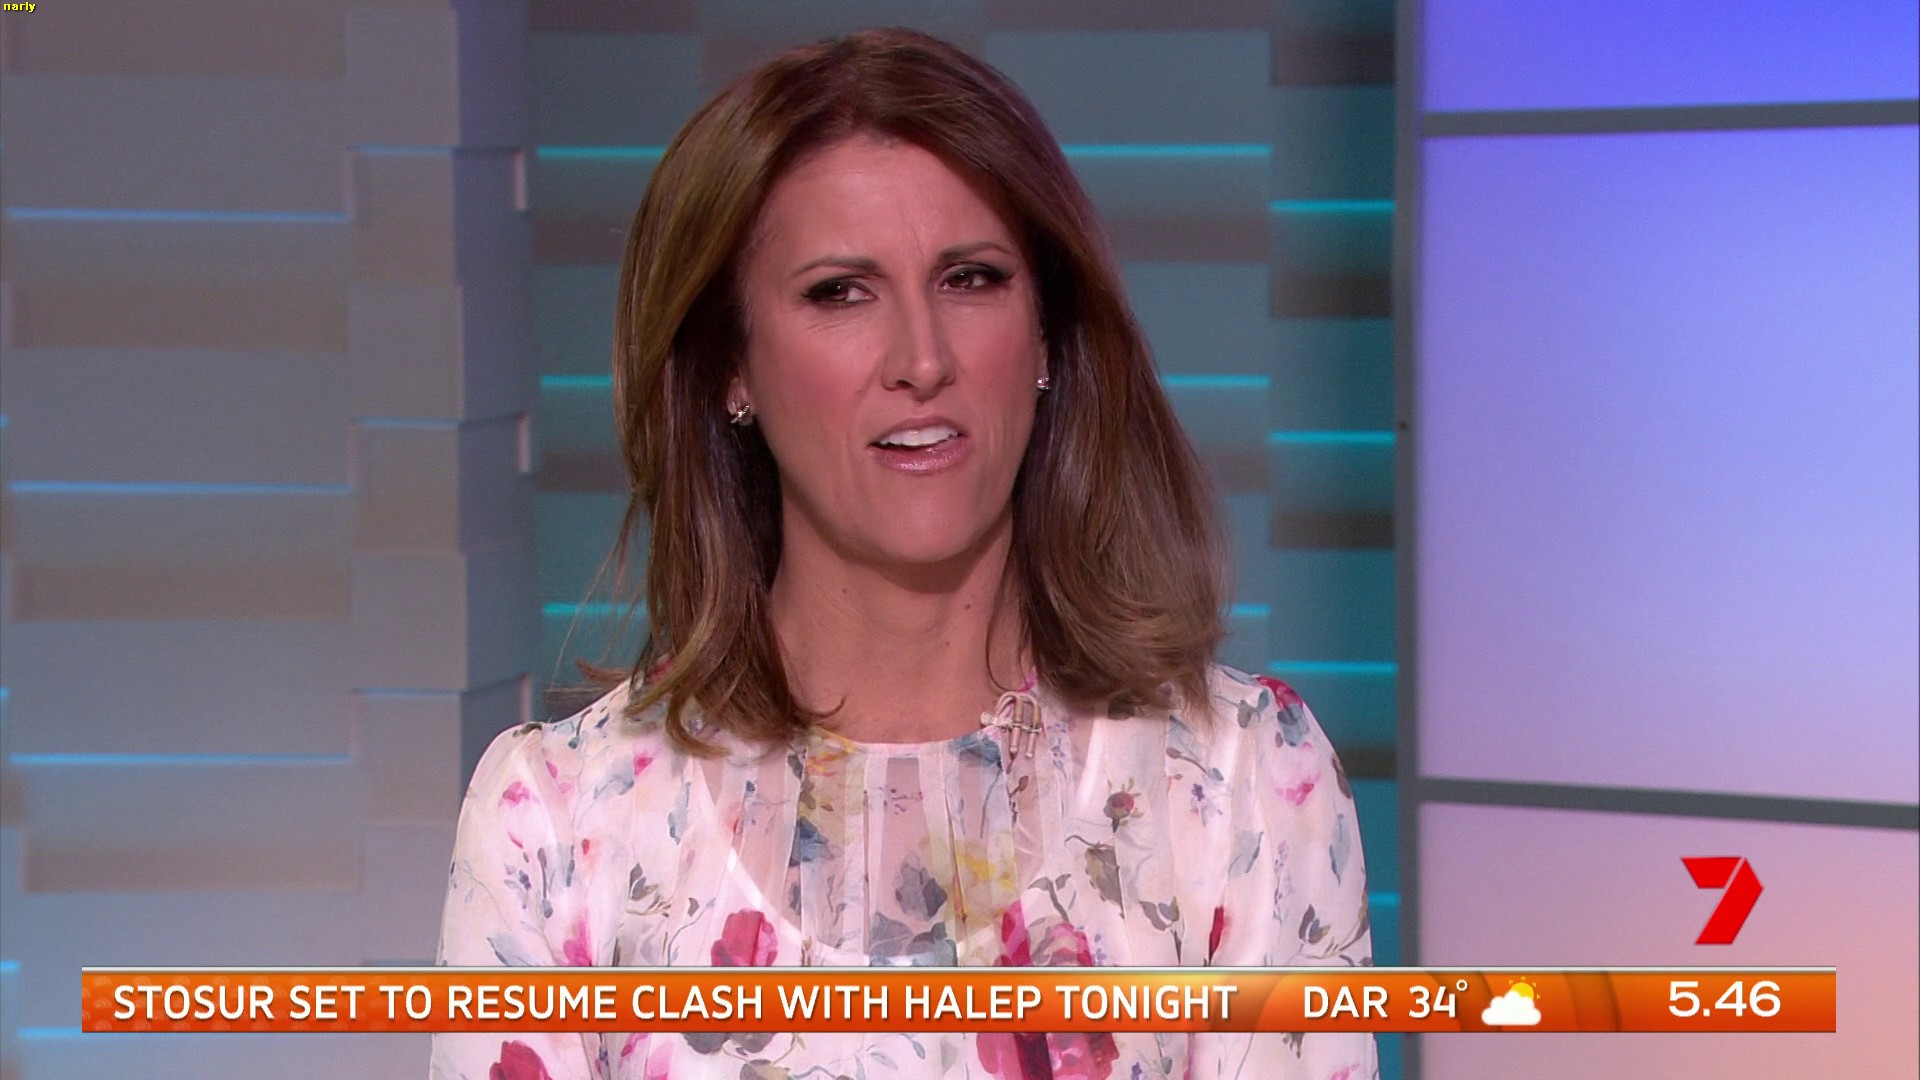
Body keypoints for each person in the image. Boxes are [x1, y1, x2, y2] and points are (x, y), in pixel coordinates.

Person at [433, 26, 1377, 1080]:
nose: (922, 360)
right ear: (730, 367)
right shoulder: (557, 825)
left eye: (971, 279)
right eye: (840, 292)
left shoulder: (1244, 785)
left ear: (1047, 337)